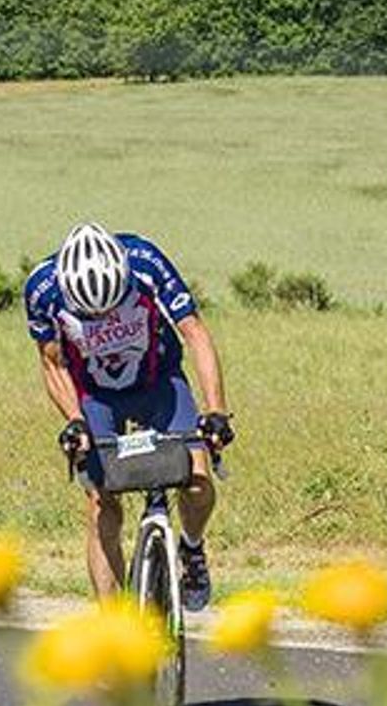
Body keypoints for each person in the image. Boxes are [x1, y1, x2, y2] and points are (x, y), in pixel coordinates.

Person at [24, 222, 234, 607]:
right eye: (92, 314)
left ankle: (191, 549)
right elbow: (52, 364)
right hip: (96, 396)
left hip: (159, 383)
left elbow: (195, 333)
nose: (104, 319)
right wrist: (74, 419)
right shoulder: (42, 289)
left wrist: (216, 410)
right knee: (101, 503)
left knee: (198, 480)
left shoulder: (145, 261)